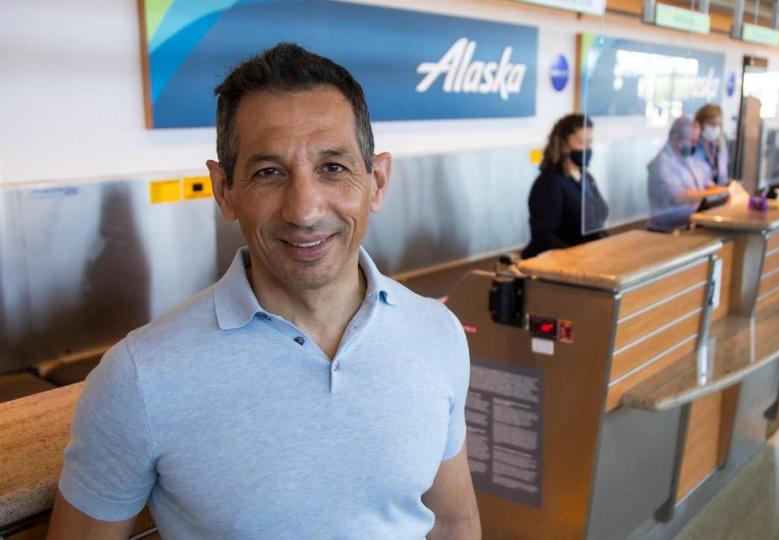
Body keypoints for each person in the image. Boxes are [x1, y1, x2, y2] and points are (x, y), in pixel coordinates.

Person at [47, 43, 480, 539]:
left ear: (377, 181)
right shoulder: (139, 378)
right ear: (224, 189)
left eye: (332, 167)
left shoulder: (436, 332)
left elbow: (452, 521)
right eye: (268, 172)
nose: (304, 210)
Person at [521, 113, 609, 259]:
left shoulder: (586, 178)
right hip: (559, 265)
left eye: (590, 143)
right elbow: (543, 236)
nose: (587, 148)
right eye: (582, 142)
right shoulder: (550, 183)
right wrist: (573, 257)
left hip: (588, 258)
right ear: (563, 145)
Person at [647, 116, 727, 232]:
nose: (694, 145)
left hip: (686, 225)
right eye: (691, 141)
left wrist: (713, 188)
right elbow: (679, 197)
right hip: (664, 231)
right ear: (674, 137)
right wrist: (712, 192)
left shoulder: (688, 159)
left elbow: (704, 181)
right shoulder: (661, 165)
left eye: (696, 141)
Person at [693, 104, 730, 186]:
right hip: (698, 195)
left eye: (718, 125)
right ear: (700, 123)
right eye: (712, 124)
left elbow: (723, 177)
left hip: (717, 194)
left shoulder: (720, 147)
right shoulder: (691, 147)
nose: (715, 128)